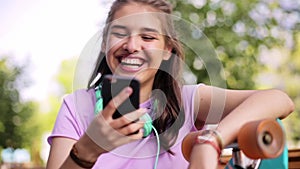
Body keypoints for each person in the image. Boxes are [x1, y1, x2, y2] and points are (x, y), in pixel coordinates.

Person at [46, 0, 295, 169]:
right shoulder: (76, 106)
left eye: (147, 37)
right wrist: (87, 151)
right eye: (120, 33)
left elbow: (279, 100)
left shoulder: (189, 100)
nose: (132, 46)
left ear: (167, 50)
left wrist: (211, 141)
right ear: (104, 43)